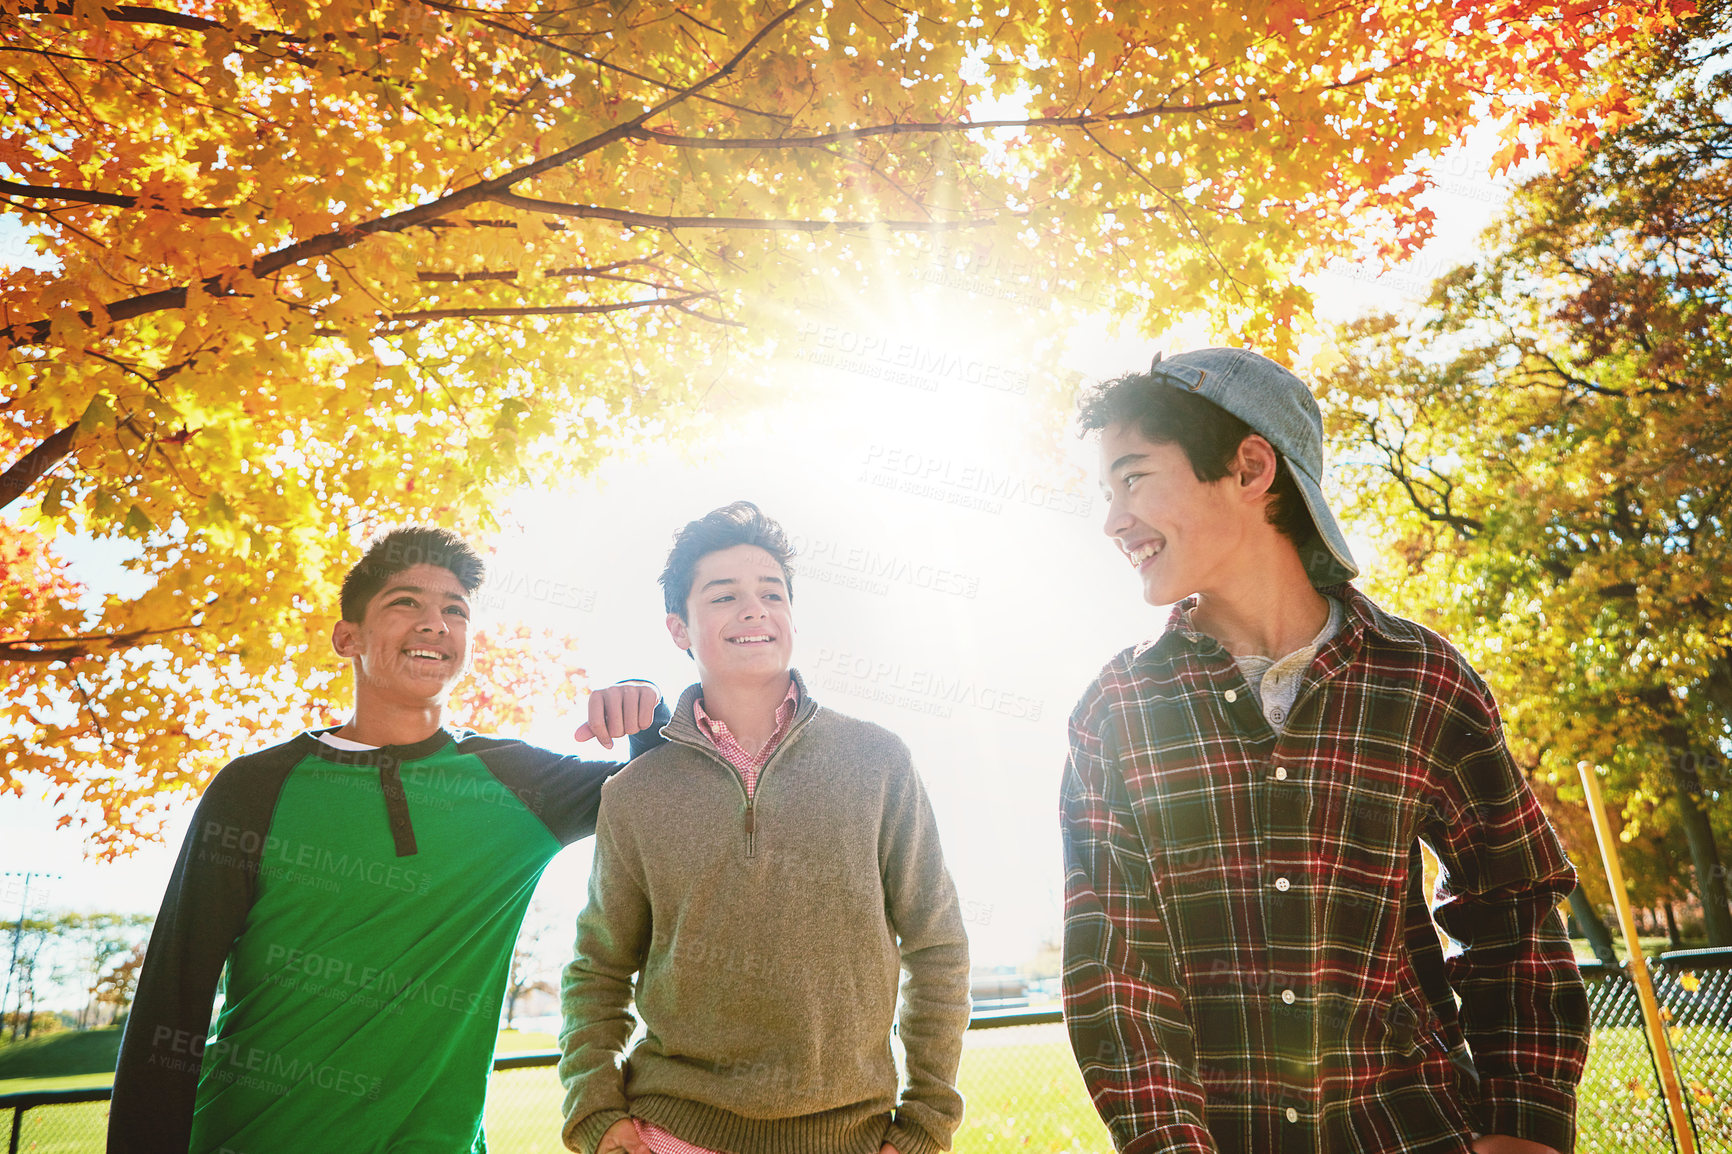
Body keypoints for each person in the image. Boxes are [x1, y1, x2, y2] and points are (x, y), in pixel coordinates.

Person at [1061, 349, 1589, 1154]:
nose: (1111, 521)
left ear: (1248, 468)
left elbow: (1513, 907)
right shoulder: (1119, 710)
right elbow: (1116, 972)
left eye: (1132, 479)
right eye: (1107, 491)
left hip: (1416, 1131)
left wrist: (1527, 1129)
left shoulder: (1423, 680)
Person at [110, 525, 670, 1154]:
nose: (435, 623)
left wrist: (647, 706)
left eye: (454, 611)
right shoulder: (256, 785)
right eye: (406, 602)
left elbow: (666, 796)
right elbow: (173, 992)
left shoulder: (518, 782)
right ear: (347, 637)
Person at [558, 501, 971, 1154]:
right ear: (679, 628)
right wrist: (596, 1112)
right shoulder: (637, 793)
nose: (753, 609)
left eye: (770, 593)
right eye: (723, 595)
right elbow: (598, 969)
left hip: (853, 1137)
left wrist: (925, 1124)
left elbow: (937, 944)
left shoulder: (877, 760)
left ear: (791, 617)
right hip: (672, 1130)